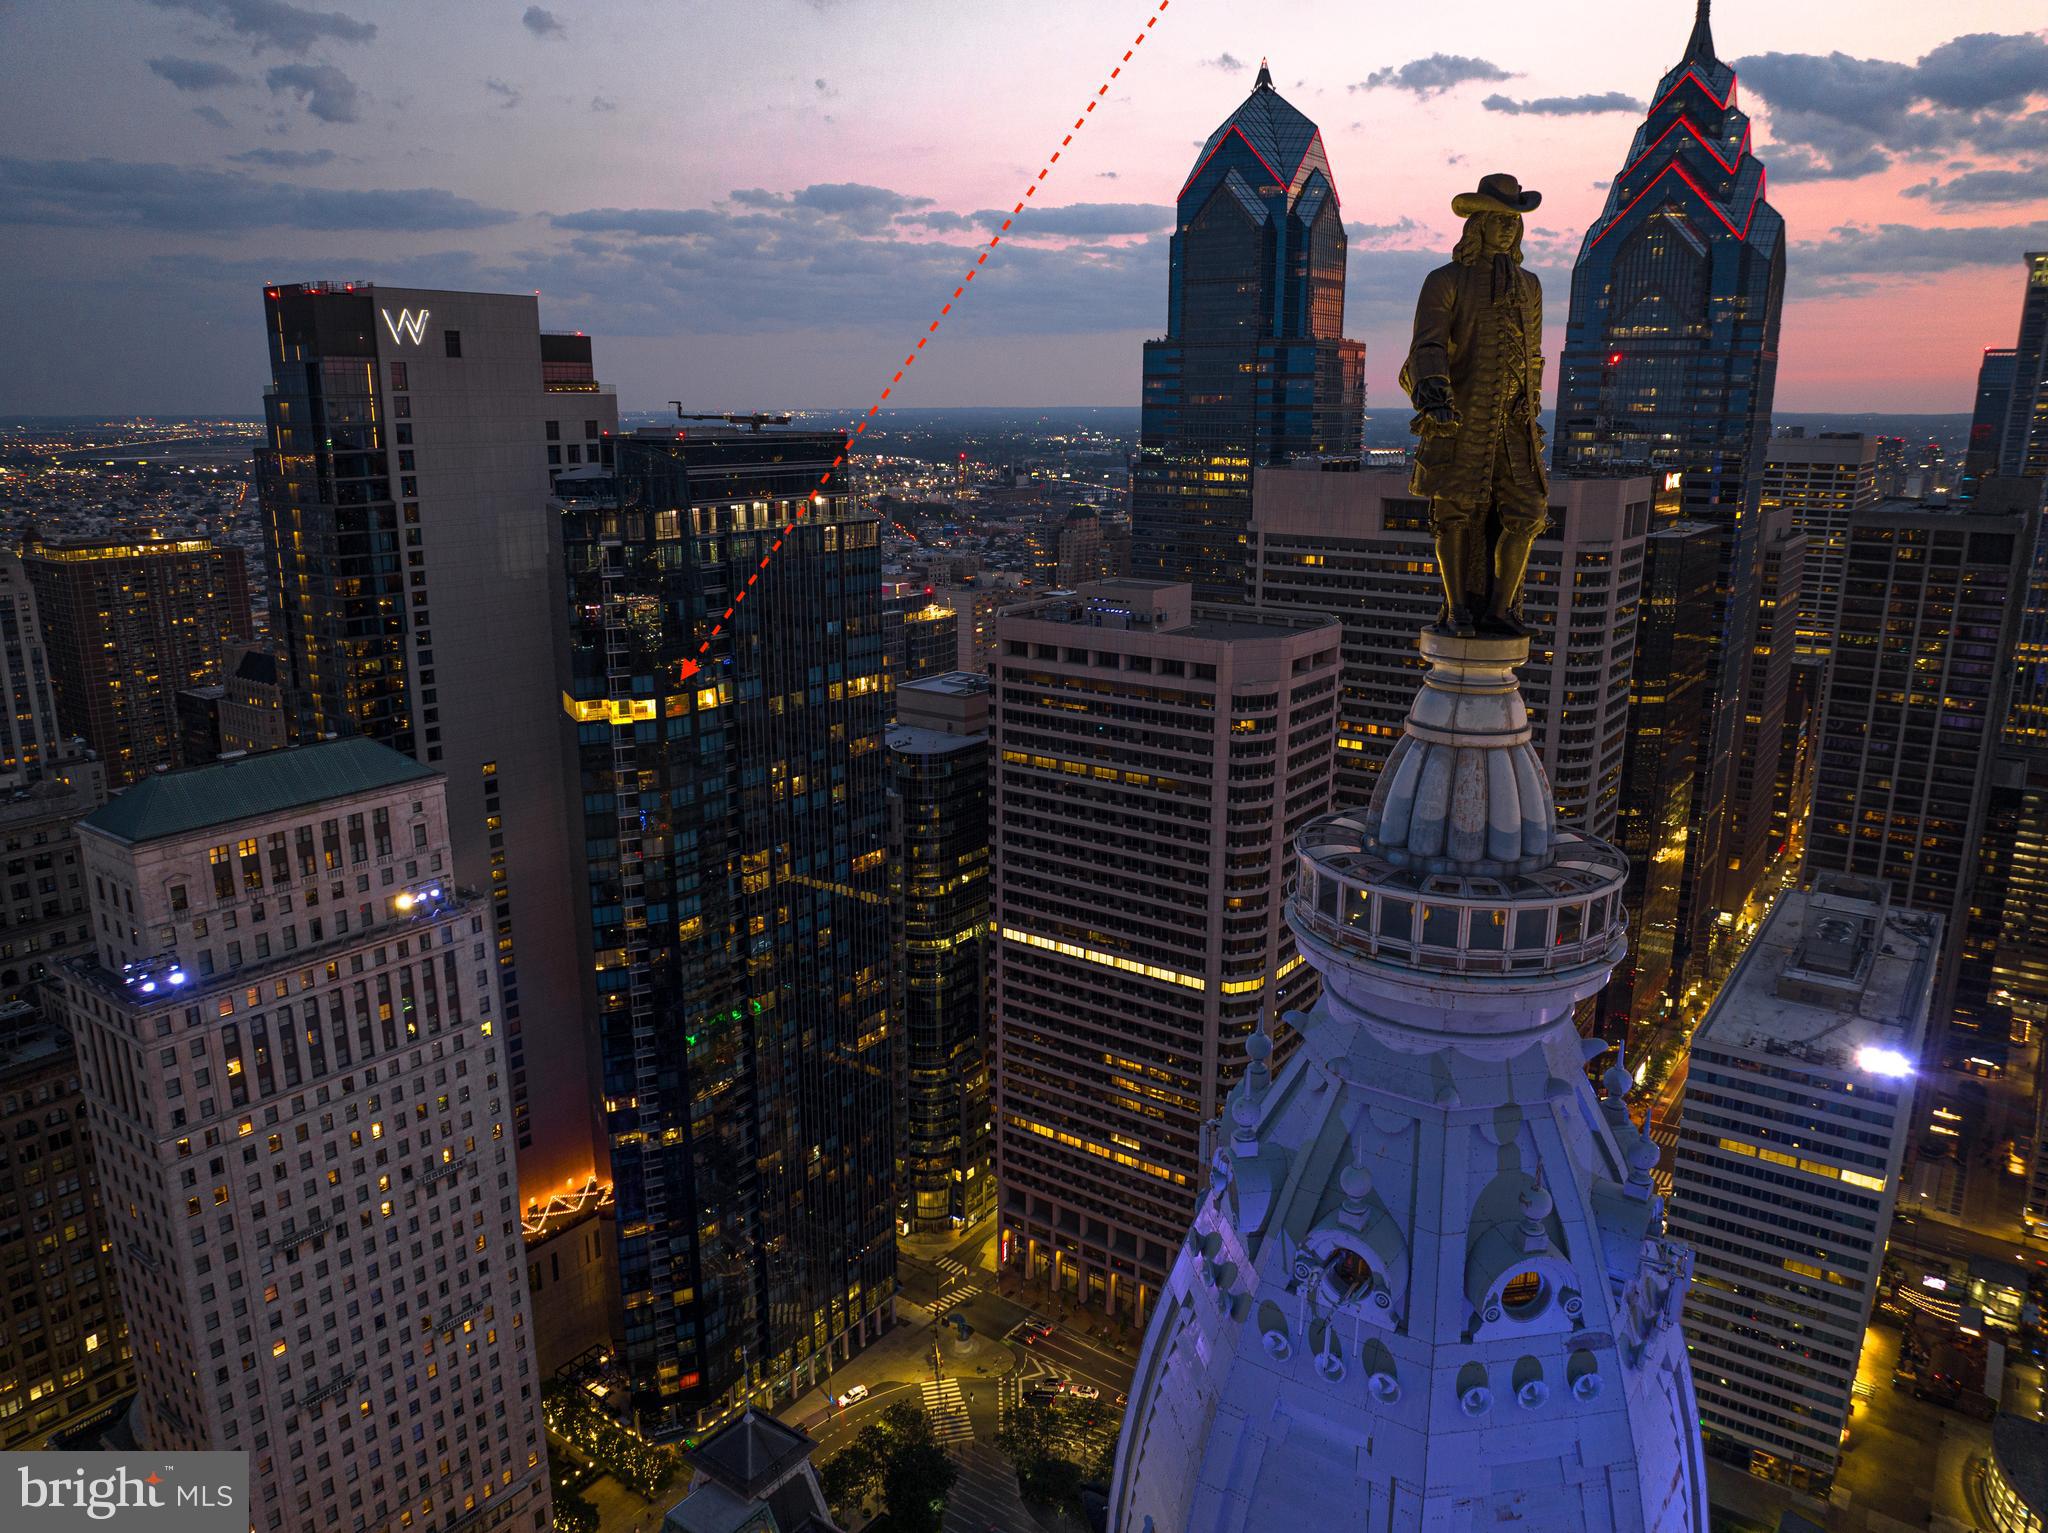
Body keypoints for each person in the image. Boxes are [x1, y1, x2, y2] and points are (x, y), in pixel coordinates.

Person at [1399, 172, 1550, 639]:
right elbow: (1428, 346)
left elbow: (1535, 354)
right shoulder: (1446, 280)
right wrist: (1436, 399)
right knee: (1454, 513)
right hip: (1461, 421)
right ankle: (1458, 607)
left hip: (1514, 427)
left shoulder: (1530, 286)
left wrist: (1531, 404)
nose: (1507, 229)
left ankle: (1501, 608)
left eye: (1513, 221)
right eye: (1498, 220)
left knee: (1529, 513)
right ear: (1477, 224)